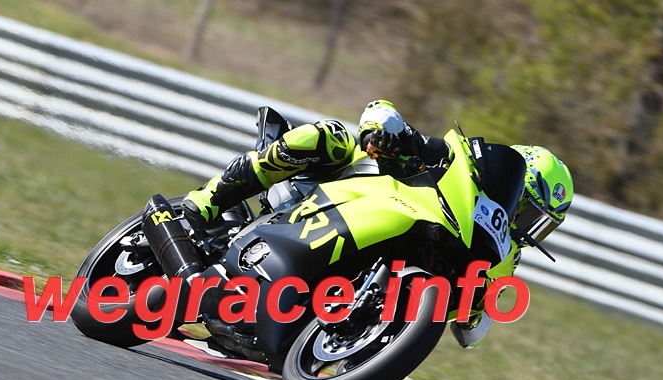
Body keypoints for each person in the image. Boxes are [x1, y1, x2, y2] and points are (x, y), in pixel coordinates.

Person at [181, 99, 573, 349]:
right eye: (528, 210)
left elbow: (471, 333)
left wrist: (478, 302)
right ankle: (208, 200)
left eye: (540, 225)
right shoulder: (456, 169)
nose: (525, 225)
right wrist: (384, 132)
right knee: (330, 136)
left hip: (388, 255)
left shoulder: (503, 255)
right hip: (338, 193)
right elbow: (380, 111)